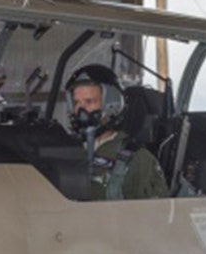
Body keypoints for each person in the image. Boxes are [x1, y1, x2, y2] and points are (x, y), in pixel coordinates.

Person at [67, 64, 167, 200]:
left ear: (111, 104)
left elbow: (156, 215)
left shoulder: (138, 160)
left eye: (89, 101)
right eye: (76, 103)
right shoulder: (67, 152)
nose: (80, 111)